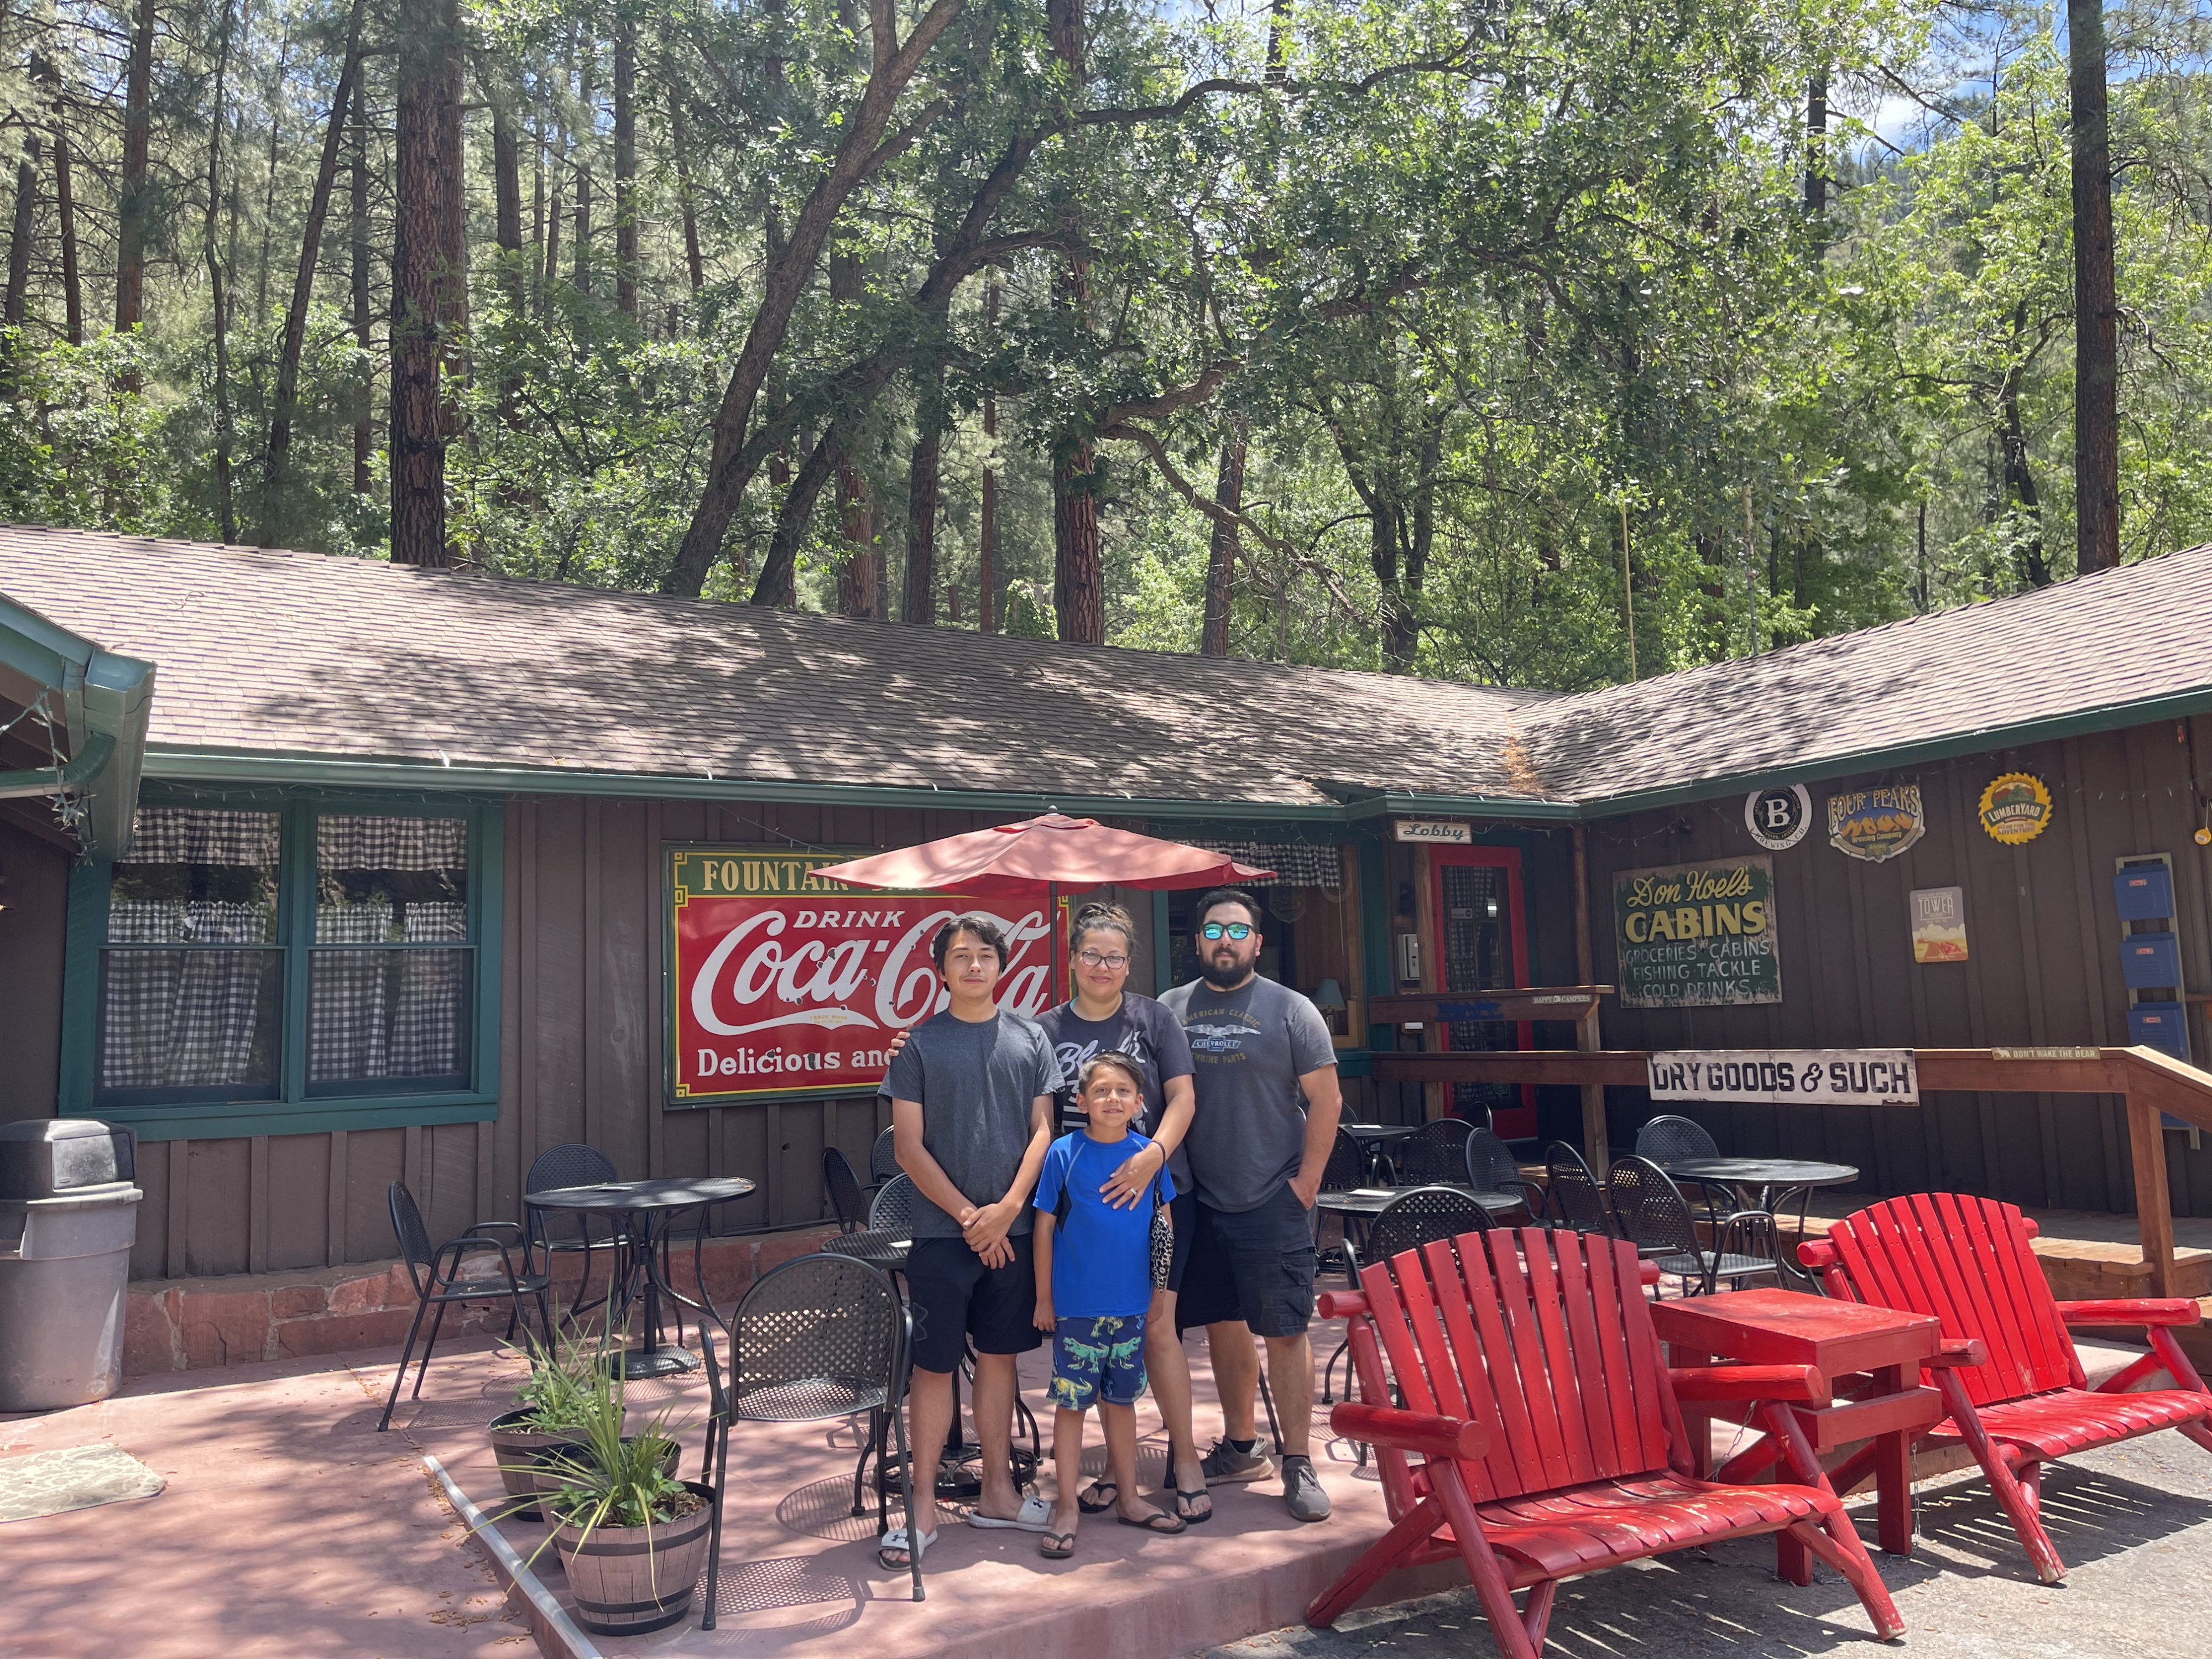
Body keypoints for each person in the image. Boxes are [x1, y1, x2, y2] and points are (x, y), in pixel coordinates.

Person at [878, 914, 1061, 1569]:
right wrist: (967, 1218)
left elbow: (1044, 1132)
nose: (974, 965)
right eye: (960, 956)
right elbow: (907, 1146)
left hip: (1013, 1234)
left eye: (985, 954)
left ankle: (998, 1494)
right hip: (941, 1235)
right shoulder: (919, 1046)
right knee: (932, 1370)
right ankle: (923, 1506)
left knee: (1000, 1360)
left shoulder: (1031, 1039)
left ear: (1002, 966)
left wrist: (1006, 1210)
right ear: (941, 969)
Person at [1160, 888, 1343, 1524]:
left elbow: (1327, 1099)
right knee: (1222, 1322)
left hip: (1271, 1195)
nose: (1225, 940)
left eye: (1238, 930)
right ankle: (1242, 1448)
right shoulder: (1170, 1008)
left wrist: (1306, 1184)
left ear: (1257, 943)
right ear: (1197, 940)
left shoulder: (1292, 1010)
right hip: (1198, 1199)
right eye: (1213, 929)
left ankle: (1298, 1460)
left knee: (1285, 1331)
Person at [1032, 902, 1210, 1524]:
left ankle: (1185, 1459)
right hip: (1081, 1207)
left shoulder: (1154, 1018)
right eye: (1091, 955)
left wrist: (1151, 1156)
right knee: (1097, 1341)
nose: (1102, 966)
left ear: (1128, 964)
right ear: (1073, 960)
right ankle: (1116, 1469)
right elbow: (1037, 1116)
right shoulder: (1045, 1029)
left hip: (1156, 1196)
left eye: (1114, 957)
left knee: (1156, 1329)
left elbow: (1183, 1097)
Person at [1030, 1051, 1187, 1557]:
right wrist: (1044, 1297)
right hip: (1078, 1306)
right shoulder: (1063, 1153)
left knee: (1122, 1402)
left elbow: (1164, 1229)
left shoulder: (1150, 1156)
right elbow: (1044, 1227)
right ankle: (1067, 1507)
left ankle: (1129, 1498)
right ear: (1081, 1102)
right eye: (1100, 1091)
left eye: (1123, 1091)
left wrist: (1159, 1292)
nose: (1112, 1099)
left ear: (1139, 1103)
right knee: (1072, 1404)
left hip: (1133, 1306)